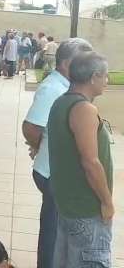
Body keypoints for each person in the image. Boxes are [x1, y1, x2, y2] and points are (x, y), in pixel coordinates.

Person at [22, 38, 93, 268]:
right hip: (53, 173)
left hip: (57, 171)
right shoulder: (53, 89)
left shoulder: (65, 86)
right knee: (52, 232)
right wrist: (44, 148)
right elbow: (31, 127)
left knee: (58, 229)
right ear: (67, 62)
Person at [49, 52, 114, 268]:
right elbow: (91, 162)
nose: (107, 81)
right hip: (86, 210)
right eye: (105, 76)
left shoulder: (61, 102)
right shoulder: (83, 109)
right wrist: (106, 201)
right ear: (94, 76)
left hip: (69, 205)